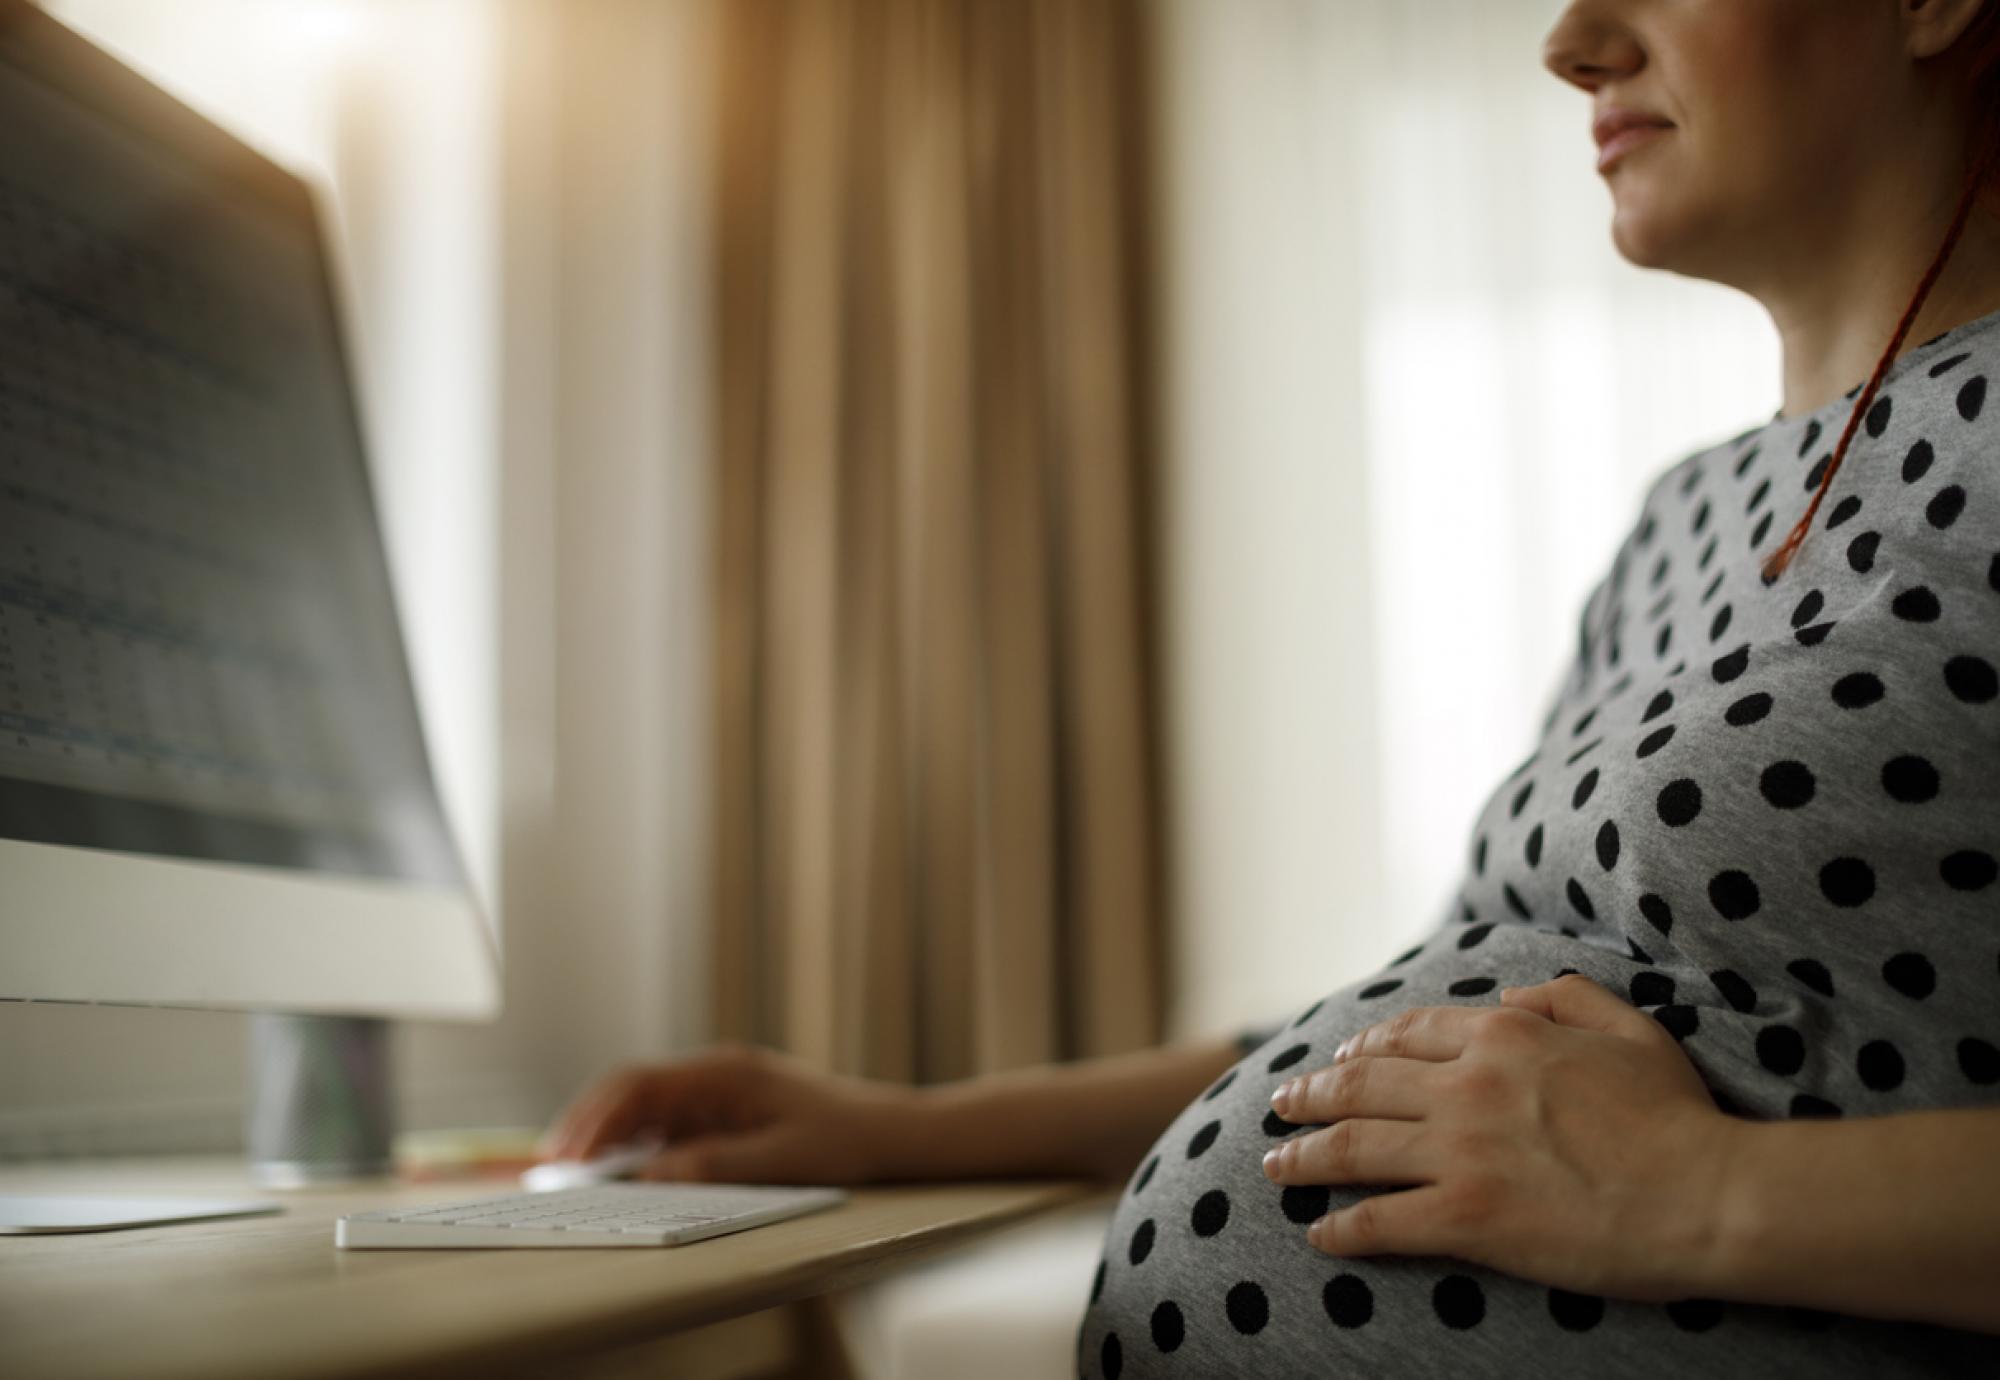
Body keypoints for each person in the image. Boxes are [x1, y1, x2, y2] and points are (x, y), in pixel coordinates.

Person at [546, 0, 2000, 1373]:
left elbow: (1631, 1166)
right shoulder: (1687, 516)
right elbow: (1401, 1036)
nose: (1572, 42)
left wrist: (1701, 1192)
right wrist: (899, 1127)